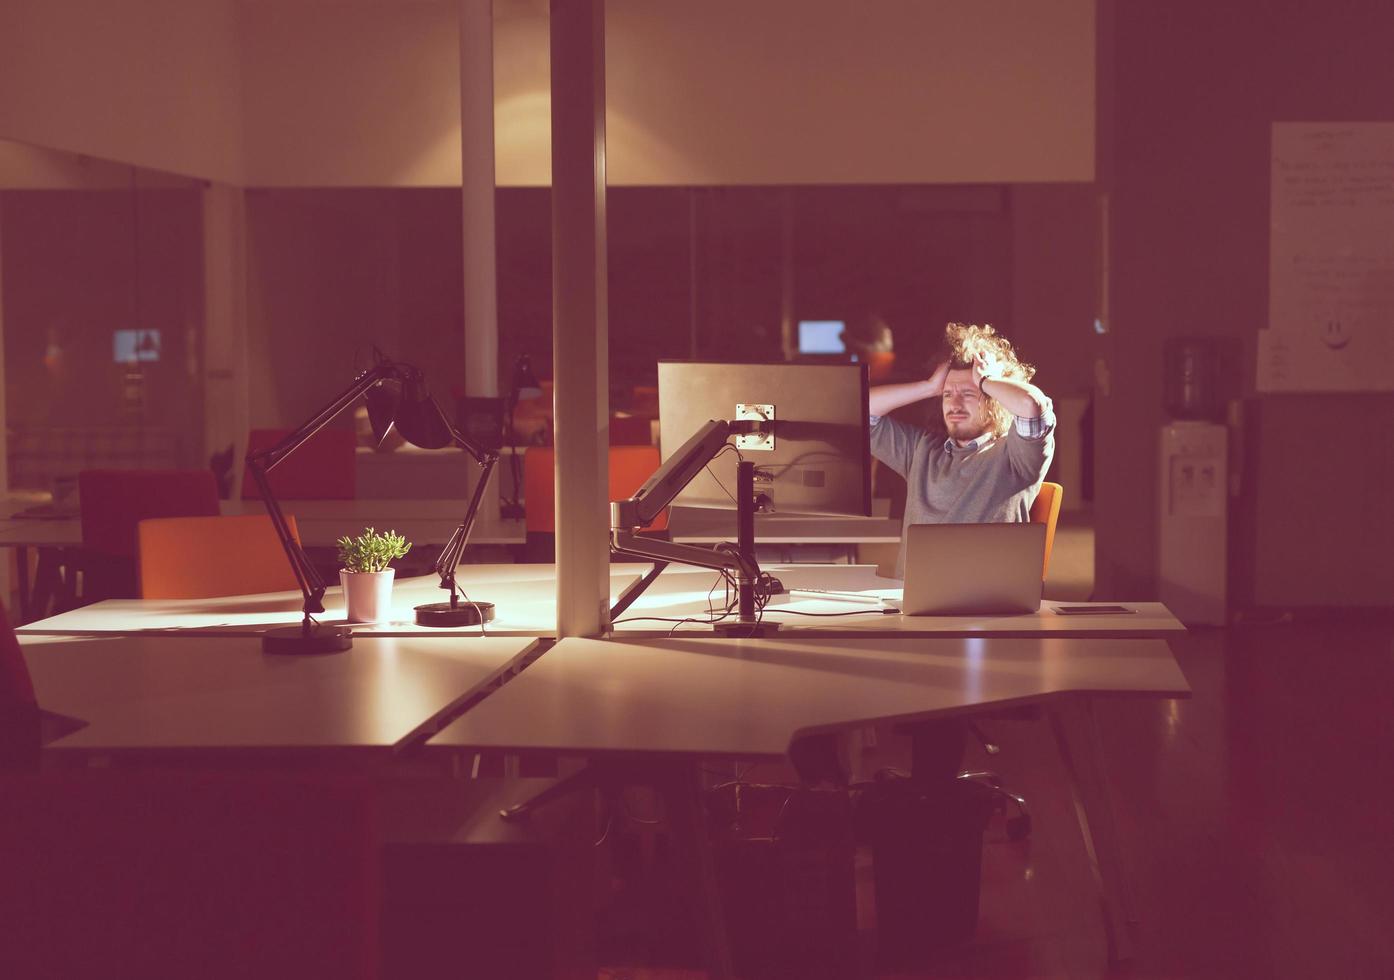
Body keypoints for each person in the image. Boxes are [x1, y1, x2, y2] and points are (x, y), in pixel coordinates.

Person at [868, 322, 1054, 578]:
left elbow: (1032, 407)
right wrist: (930, 386)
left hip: (987, 606)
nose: (954, 404)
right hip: (915, 604)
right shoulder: (921, 450)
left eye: (968, 393)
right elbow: (862, 412)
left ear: (994, 399)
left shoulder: (1016, 455)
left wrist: (989, 379)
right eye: (947, 395)